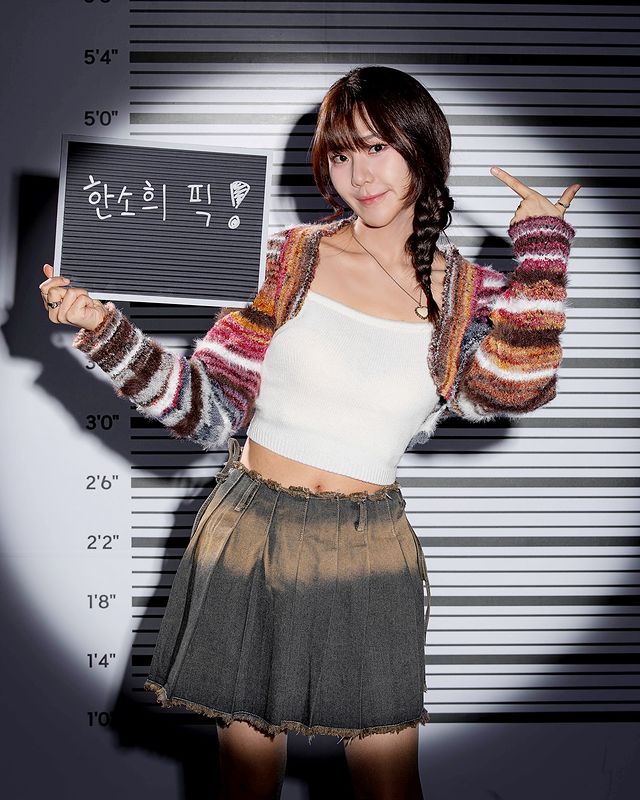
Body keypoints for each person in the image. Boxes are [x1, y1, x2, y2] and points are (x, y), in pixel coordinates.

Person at [39, 66, 580, 800]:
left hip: (369, 548)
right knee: (247, 780)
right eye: (342, 153)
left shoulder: (467, 295)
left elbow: (513, 390)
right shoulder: (284, 260)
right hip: (252, 533)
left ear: (422, 150)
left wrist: (543, 252)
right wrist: (104, 329)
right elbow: (208, 411)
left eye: (379, 147)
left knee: (389, 784)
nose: (361, 174)